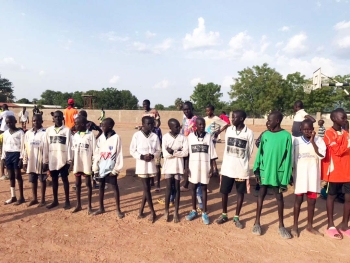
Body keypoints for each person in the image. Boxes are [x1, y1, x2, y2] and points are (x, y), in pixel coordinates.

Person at [252, 111, 292, 239]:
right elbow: (260, 154)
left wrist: (286, 176)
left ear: (277, 121)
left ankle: (281, 225)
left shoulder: (286, 136)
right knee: (261, 194)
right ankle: (257, 222)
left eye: (270, 120)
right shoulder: (265, 135)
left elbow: (288, 158)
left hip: (278, 173)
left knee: (279, 197)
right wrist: (257, 169)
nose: (267, 122)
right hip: (264, 171)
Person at [216, 110, 254, 227]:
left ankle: (236, 217)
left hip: (240, 170)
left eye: (235, 118)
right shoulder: (229, 130)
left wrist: (241, 161)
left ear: (242, 119)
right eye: (232, 117)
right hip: (227, 168)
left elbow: (250, 151)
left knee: (240, 193)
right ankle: (224, 214)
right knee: (224, 192)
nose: (232, 120)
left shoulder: (249, 133)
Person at [291, 119, 326, 237]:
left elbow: (322, 155)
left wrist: (313, 142)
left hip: (313, 176)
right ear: (300, 129)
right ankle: (295, 226)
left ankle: (310, 226)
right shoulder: (295, 141)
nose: (307, 131)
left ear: (313, 129)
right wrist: (290, 174)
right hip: (300, 176)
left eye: (310, 129)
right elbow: (291, 159)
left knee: (312, 201)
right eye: (305, 129)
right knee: (298, 201)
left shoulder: (319, 140)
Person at [321, 108, 350, 239]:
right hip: (334, 173)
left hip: (347, 171)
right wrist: (348, 144)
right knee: (331, 197)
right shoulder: (328, 133)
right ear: (334, 119)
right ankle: (331, 225)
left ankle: (344, 225)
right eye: (342, 117)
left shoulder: (346, 133)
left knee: (349, 198)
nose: (345, 119)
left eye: (345, 117)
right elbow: (337, 151)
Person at [185, 117, 218, 225]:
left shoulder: (208, 137)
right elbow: (186, 154)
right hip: (193, 166)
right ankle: (194, 210)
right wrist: (186, 168)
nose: (202, 126)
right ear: (195, 126)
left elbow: (212, 154)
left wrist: (214, 168)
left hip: (205, 166)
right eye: (199, 124)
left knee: (204, 188)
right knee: (193, 188)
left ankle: (204, 212)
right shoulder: (190, 137)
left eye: (203, 124)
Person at [130, 116, 161, 223]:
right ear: (143, 124)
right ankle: (153, 212)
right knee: (147, 188)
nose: (151, 125)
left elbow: (158, 150)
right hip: (141, 166)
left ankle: (141, 211)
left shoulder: (154, 136)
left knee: (146, 188)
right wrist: (142, 157)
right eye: (149, 124)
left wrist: (152, 156)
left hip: (151, 165)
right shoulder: (137, 136)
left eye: (152, 123)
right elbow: (132, 150)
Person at [93, 118, 124, 218]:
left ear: (110, 127)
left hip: (111, 168)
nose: (102, 127)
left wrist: (116, 169)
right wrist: (95, 167)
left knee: (114, 187)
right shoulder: (101, 137)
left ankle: (118, 209)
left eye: (104, 126)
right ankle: (101, 207)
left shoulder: (116, 138)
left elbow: (119, 154)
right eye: (101, 125)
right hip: (101, 166)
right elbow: (97, 152)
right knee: (101, 186)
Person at [44, 111, 73, 210]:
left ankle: (67, 201)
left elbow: (69, 146)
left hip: (63, 160)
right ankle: (55, 200)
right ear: (53, 118)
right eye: (55, 117)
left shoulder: (66, 130)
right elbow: (46, 146)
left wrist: (69, 161)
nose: (57, 118)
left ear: (62, 118)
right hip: (53, 160)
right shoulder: (48, 130)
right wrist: (46, 161)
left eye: (59, 116)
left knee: (65, 180)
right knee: (54, 180)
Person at [161, 118, 189, 223]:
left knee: (177, 188)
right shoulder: (165, 137)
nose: (178, 128)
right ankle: (166, 211)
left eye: (179, 126)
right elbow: (166, 155)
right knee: (168, 188)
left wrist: (172, 151)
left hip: (178, 167)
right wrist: (178, 151)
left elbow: (185, 153)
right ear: (170, 127)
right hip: (168, 167)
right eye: (176, 126)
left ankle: (176, 212)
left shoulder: (183, 138)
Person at [71, 116, 96, 214]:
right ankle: (79, 204)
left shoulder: (90, 135)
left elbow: (94, 150)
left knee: (88, 184)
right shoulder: (75, 135)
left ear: (82, 124)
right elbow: (73, 150)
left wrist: (94, 165)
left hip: (87, 163)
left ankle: (89, 206)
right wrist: (72, 163)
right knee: (77, 184)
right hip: (77, 163)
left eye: (76, 123)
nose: (75, 125)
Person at [23, 114, 48, 207]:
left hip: (41, 160)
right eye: (34, 121)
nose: (35, 122)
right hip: (31, 161)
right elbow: (25, 148)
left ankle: (42, 199)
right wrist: (24, 161)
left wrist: (46, 161)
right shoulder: (28, 133)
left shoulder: (45, 133)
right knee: (33, 180)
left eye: (37, 121)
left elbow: (46, 148)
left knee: (42, 179)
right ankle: (34, 198)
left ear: (41, 121)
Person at [2, 115, 25, 205]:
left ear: (15, 121)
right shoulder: (6, 133)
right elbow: (4, 145)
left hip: (17, 154)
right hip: (8, 155)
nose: (9, 124)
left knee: (18, 175)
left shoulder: (20, 132)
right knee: (11, 176)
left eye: (11, 122)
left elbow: (23, 146)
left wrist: (21, 158)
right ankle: (13, 196)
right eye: (7, 123)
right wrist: (3, 157)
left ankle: (22, 197)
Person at [180, 101, 197, 192]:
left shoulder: (195, 119)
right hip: (184, 145)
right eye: (184, 110)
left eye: (188, 109)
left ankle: (189, 185)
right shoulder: (184, 119)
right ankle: (186, 183)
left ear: (192, 109)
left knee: (191, 165)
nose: (186, 111)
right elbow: (183, 131)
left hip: (192, 146)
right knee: (185, 166)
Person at [150, 119, 162, 191]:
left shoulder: (157, 130)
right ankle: (151, 182)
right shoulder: (144, 131)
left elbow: (160, 140)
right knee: (150, 165)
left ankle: (158, 184)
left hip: (156, 150)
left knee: (157, 166)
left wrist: (161, 151)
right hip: (148, 151)